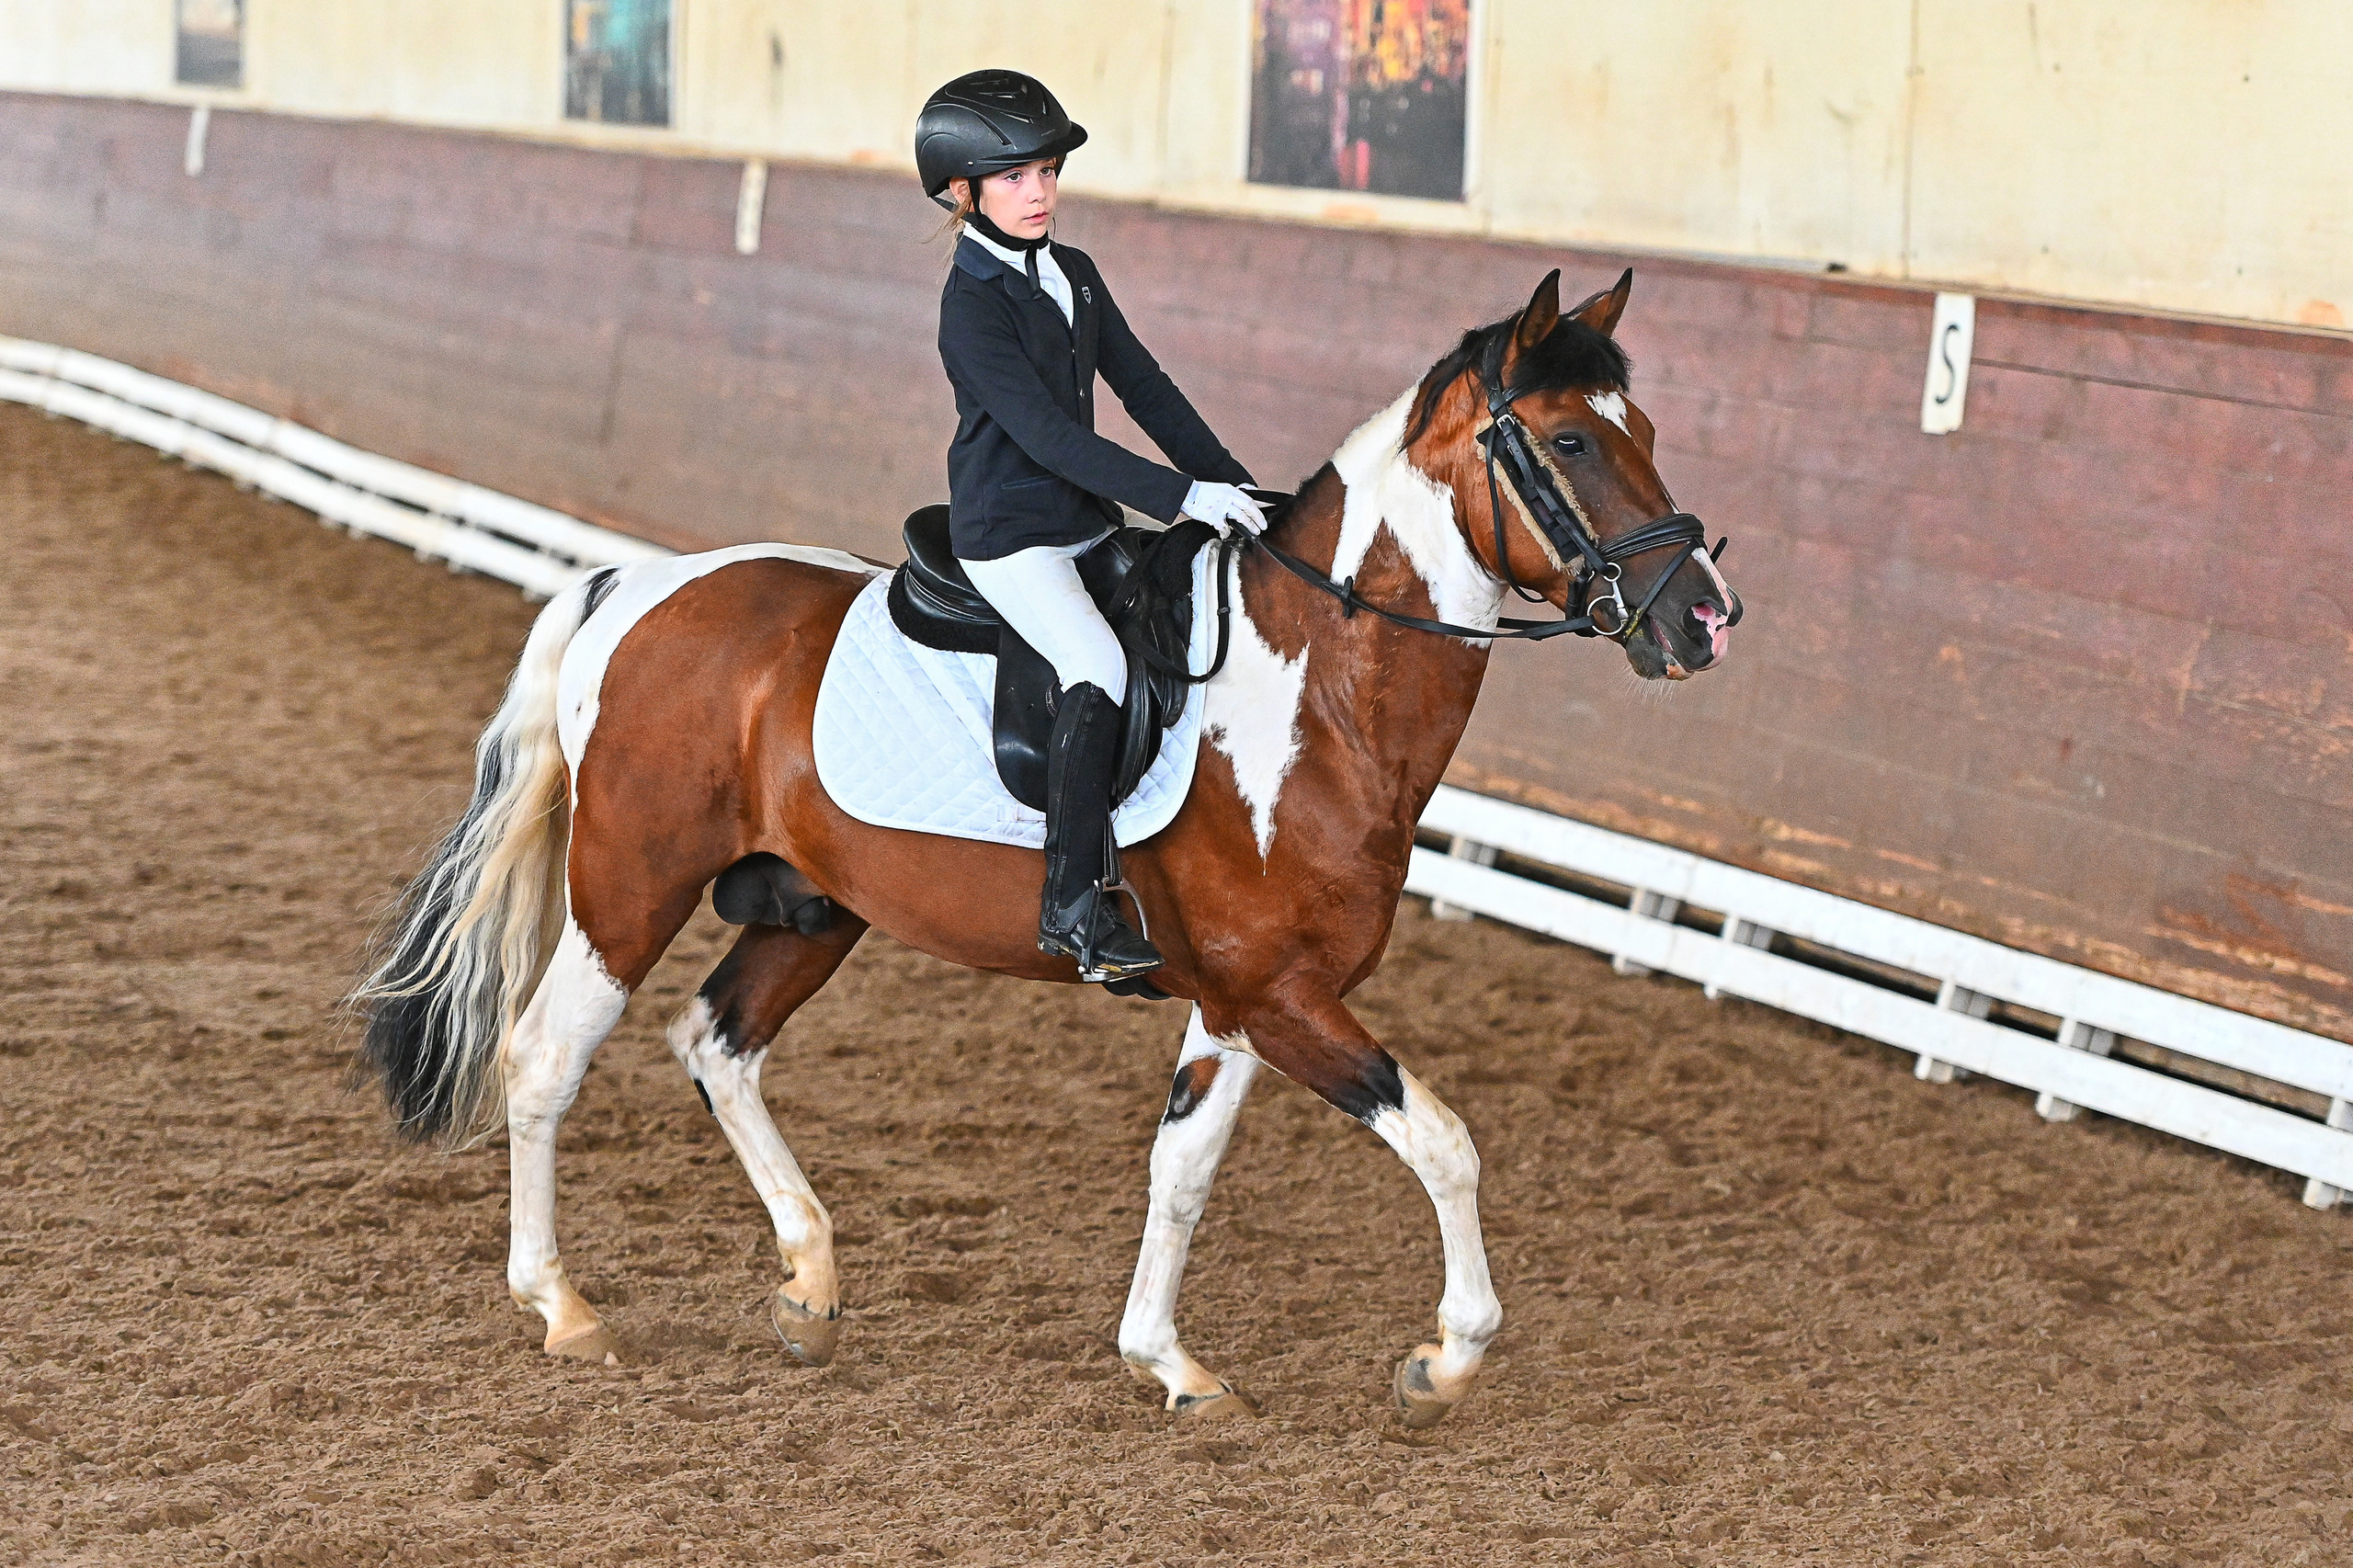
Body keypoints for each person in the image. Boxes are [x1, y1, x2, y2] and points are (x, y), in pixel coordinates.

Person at [915, 69, 1267, 984]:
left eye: (1045, 172)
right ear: (963, 191)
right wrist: (1180, 499)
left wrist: (1231, 484)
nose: (1038, 193)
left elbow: (1144, 387)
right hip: (1009, 534)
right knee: (1098, 664)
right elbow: (1048, 436)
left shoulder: (1072, 271)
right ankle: (1072, 900)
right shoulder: (970, 306)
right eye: (1013, 178)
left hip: (1084, 518)